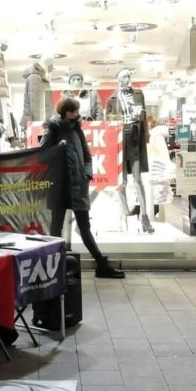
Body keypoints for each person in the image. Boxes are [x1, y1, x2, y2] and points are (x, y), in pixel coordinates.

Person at [42, 96, 125, 279]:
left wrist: (86, 175)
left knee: (84, 227)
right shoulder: (52, 129)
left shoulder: (76, 129)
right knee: (55, 228)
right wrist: (57, 148)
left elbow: (87, 156)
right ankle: (54, 269)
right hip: (59, 186)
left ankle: (101, 265)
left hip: (78, 185)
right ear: (67, 113)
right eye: (75, 111)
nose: (78, 114)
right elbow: (43, 154)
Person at [106, 68, 154, 233]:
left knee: (137, 179)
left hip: (134, 138)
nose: (127, 79)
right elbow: (108, 123)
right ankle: (125, 215)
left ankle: (145, 217)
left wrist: (145, 136)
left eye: (128, 76)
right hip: (119, 140)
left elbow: (144, 116)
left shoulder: (138, 94)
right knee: (122, 181)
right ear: (118, 79)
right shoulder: (112, 99)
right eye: (124, 77)